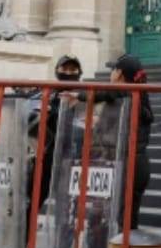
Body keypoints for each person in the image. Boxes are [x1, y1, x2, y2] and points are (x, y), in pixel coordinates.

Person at [0, 53, 84, 245]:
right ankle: (22, 245)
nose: (69, 72)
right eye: (65, 68)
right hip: (48, 157)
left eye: (73, 69)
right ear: (57, 71)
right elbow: (24, 97)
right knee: (30, 202)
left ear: (80, 72)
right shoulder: (49, 91)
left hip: (74, 159)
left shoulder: (87, 93)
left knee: (67, 212)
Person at [64, 53, 154, 233]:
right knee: (125, 223)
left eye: (113, 70)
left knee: (117, 223)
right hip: (135, 164)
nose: (111, 74)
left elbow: (109, 92)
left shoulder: (126, 93)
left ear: (119, 73)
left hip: (127, 165)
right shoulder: (137, 95)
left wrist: (80, 95)